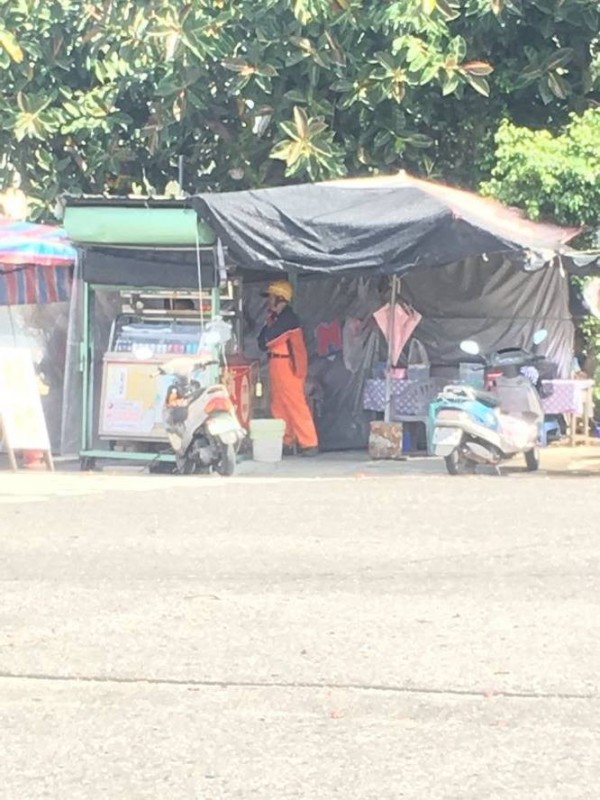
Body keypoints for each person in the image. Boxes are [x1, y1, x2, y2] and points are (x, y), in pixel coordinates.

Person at [258, 280, 319, 456]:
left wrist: (269, 327)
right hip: (276, 363)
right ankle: (286, 439)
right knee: (278, 404)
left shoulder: (288, 318)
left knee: (295, 403)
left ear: (280, 298)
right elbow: (261, 342)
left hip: (288, 365)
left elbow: (269, 340)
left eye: (271, 298)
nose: (268, 301)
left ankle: (309, 442)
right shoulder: (275, 318)